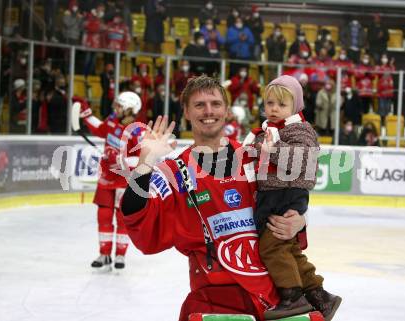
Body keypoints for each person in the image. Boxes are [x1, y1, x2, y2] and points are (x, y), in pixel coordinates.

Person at [120, 75, 308, 321]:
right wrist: (145, 162)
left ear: (226, 110)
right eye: (199, 105)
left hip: (277, 297)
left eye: (215, 103)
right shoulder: (175, 172)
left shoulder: (256, 156)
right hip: (215, 302)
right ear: (186, 111)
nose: (208, 111)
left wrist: (299, 220)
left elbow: (290, 198)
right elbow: (136, 216)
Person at [242, 75, 341, 320]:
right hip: (273, 194)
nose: (274, 109)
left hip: (286, 194)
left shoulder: (300, 130)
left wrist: (272, 150)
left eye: (281, 105)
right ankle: (320, 296)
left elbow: (305, 160)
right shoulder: (268, 130)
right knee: (288, 248)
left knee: (272, 247)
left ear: (295, 107)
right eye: (270, 103)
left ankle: (292, 296)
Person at [76, 91, 144, 270]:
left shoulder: (138, 131)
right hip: (106, 177)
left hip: (125, 180)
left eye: (120, 106)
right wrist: (86, 113)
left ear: (130, 109)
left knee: (122, 218)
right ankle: (104, 254)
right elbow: (99, 129)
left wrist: (120, 160)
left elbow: (142, 158)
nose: (116, 108)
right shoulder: (113, 120)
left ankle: (120, 255)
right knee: (104, 215)